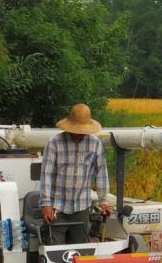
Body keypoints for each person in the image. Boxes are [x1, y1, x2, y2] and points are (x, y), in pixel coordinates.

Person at [39, 104, 113, 243]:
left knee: (80, 251)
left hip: (81, 206)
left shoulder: (95, 144)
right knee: (55, 251)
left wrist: (103, 201)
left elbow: (101, 173)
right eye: (77, 130)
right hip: (57, 207)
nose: (80, 133)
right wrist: (46, 204)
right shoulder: (54, 143)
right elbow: (46, 175)